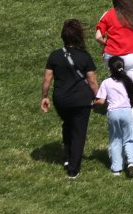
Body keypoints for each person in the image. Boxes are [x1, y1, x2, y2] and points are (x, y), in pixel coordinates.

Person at [42, 18, 99, 179]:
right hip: (81, 100)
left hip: (61, 100)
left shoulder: (55, 55)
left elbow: (47, 79)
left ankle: (67, 157)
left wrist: (44, 97)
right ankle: (73, 168)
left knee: (67, 124)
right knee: (79, 132)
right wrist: (99, 97)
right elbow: (92, 81)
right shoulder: (84, 57)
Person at [95, 55, 133, 178]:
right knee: (130, 138)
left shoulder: (106, 82)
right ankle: (132, 162)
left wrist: (93, 103)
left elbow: (101, 101)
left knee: (115, 139)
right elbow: (132, 96)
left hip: (113, 113)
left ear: (109, 69)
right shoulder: (127, 81)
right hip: (126, 112)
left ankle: (116, 168)